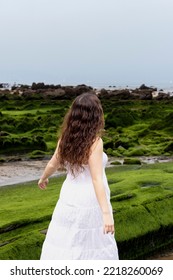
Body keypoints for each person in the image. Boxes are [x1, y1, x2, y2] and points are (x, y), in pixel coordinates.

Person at [38, 92, 119, 260]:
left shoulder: (65, 138)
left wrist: (44, 177)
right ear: (95, 115)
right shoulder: (95, 142)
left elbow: (53, 163)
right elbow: (96, 179)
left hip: (69, 195)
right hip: (91, 199)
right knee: (92, 243)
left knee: (67, 239)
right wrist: (106, 213)